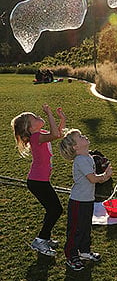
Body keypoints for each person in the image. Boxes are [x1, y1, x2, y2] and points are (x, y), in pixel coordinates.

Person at [11, 104, 66, 256]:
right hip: (37, 182)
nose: (38, 117)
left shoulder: (39, 134)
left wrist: (62, 119)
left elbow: (58, 134)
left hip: (40, 181)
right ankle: (40, 239)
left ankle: (45, 238)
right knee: (56, 209)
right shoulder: (36, 137)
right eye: (34, 118)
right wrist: (49, 113)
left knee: (52, 209)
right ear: (30, 128)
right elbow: (55, 134)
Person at [59, 129, 113, 271]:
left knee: (85, 227)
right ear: (76, 147)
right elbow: (92, 178)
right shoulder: (81, 160)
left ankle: (84, 251)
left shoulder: (87, 156)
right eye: (80, 137)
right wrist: (105, 177)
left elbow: (92, 176)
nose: (85, 136)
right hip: (78, 201)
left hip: (87, 200)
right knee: (75, 229)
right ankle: (71, 255)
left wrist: (103, 175)